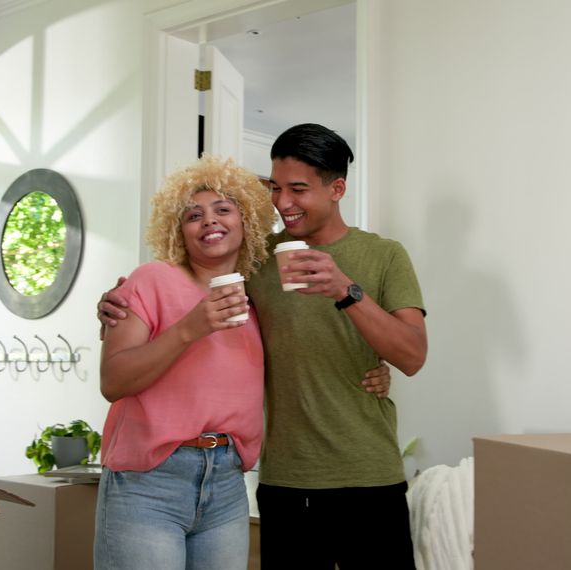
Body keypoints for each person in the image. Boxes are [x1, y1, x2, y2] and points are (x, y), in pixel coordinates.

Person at [100, 124, 427, 569]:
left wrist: (345, 291)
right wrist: (112, 307)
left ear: (337, 188)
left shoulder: (385, 256)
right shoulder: (254, 261)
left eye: (298, 189)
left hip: (369, 475)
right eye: (275, 188)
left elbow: (412, 355)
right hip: (284, 482)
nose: (284, 203)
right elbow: (182, 290)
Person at [95, 154, 274, 570]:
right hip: (149, 482)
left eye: (223, 209)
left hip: (228, 483)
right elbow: (113, 381)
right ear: (178, 230)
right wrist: (189, 328)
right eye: (194, 215)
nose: (209, 221)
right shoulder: (151, 279)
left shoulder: (256, 297)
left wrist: (373, 372)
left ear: (246, 220)